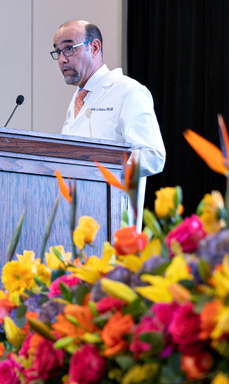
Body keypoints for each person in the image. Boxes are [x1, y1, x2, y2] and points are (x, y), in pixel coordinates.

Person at [52, 20, 165, 228]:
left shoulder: (128, 91)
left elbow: (154, 156)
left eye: (68, 48)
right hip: (75, 226)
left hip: (113, 225)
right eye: (57, 52)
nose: (62, 59)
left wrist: (99, 167)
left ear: (94, 47)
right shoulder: (78, 99)